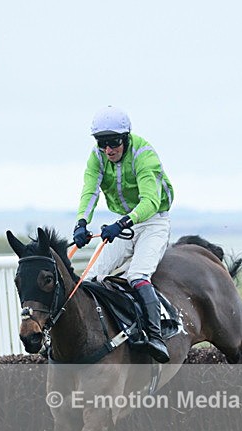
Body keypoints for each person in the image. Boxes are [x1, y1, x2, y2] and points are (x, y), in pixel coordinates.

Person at [73, 106, 174, 363]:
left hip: (153, 222)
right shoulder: (97, 157)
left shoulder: (143, 154)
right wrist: (81, 223)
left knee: (137, 276)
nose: (108, 150)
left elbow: (150, 201)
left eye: (114, 143)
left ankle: (155, 336)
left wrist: (123, 223)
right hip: (126, 223)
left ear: (126, 138)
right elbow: (90, 191)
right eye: (102, 143)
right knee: (92, 278)